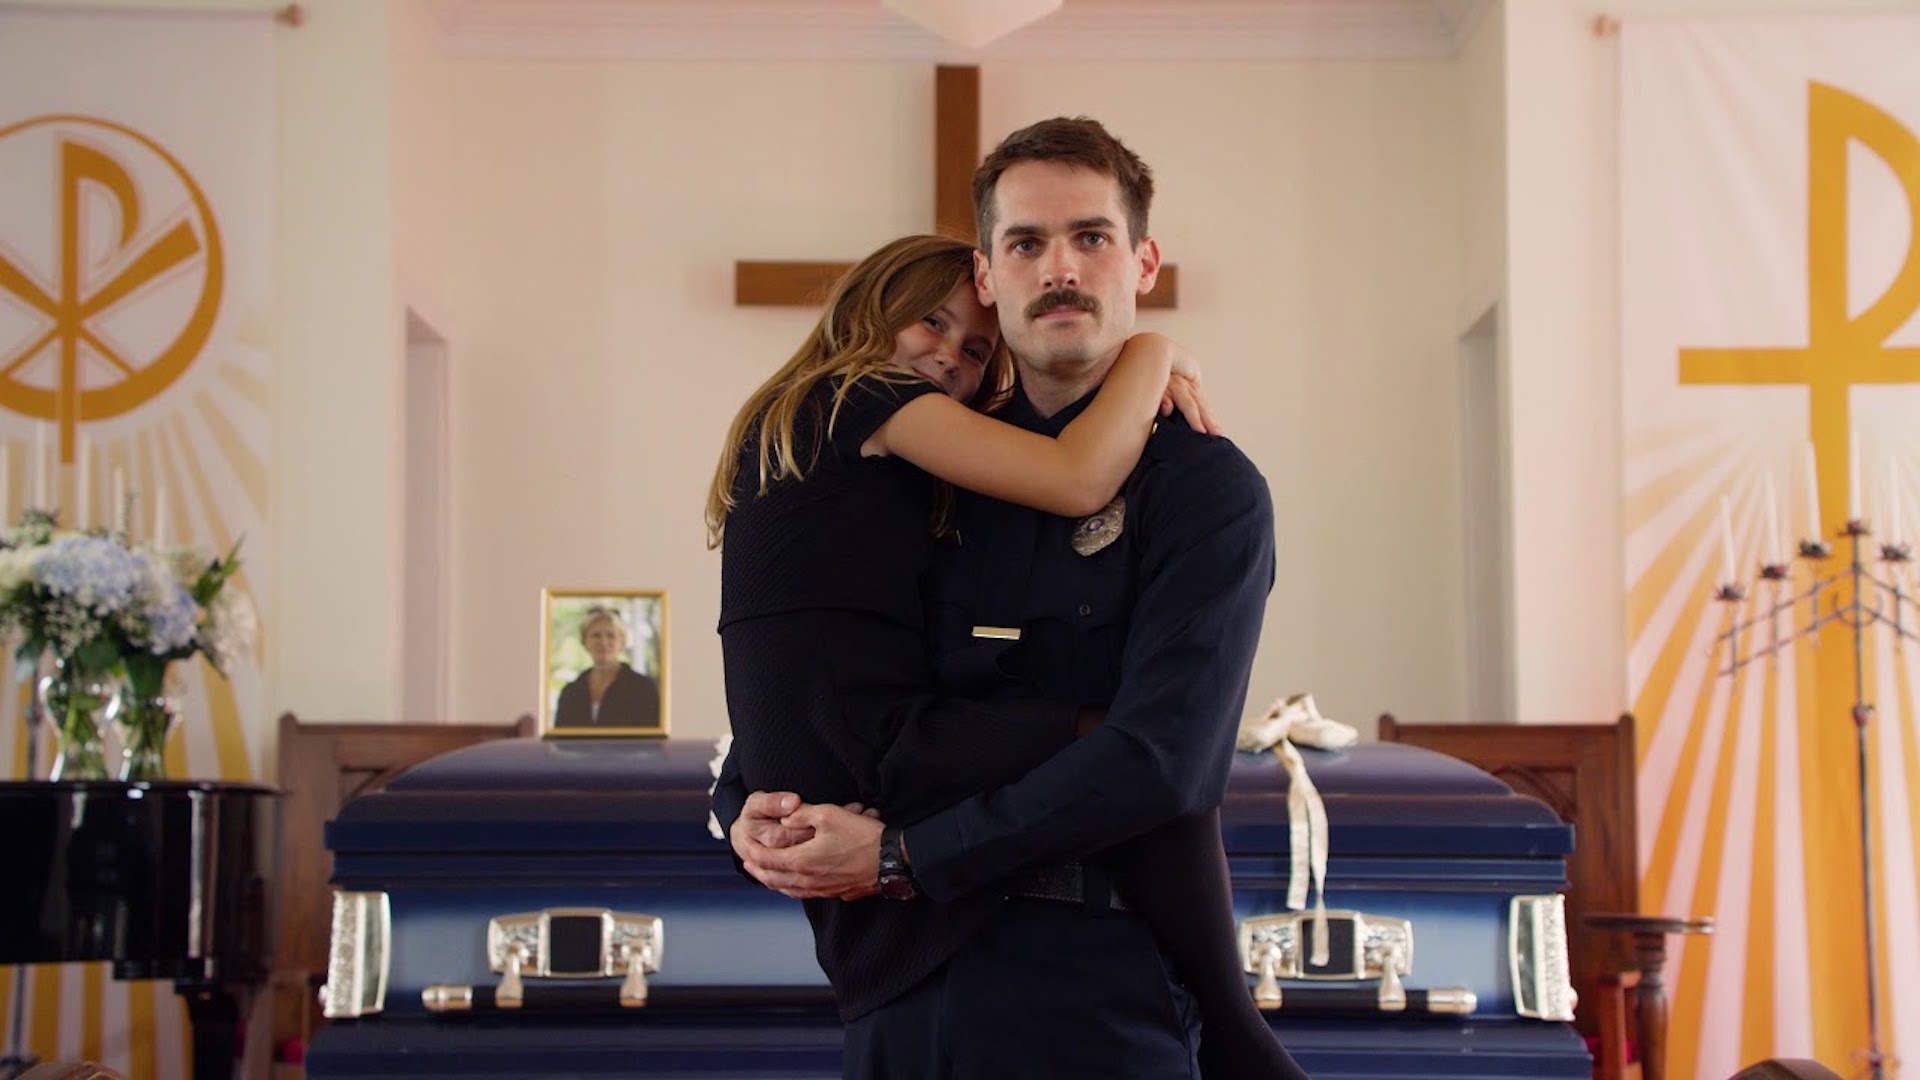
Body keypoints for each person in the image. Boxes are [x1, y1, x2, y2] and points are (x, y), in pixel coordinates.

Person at [715, 119, 1309, 1078]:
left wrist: (906, 855)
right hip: (897, 986)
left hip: (1093, 990)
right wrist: (747, 805)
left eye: (1091, 237)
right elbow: (818, 653)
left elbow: (1165, 763)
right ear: (989, 274)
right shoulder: (930, 467)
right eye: (1027, 243)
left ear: (1143, 262)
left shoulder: (1205, 486)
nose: (1059, 267)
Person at [552, 608, 660, 729]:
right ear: (584, 642)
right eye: (596, 635)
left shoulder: (643, 688)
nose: (603, 642)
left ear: (622, 642)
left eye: (611, 636)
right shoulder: (571, 692)